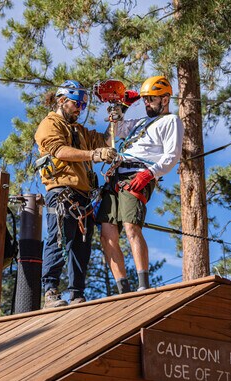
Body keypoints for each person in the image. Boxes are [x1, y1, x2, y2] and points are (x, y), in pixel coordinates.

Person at [97, 76, 183, 293]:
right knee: (107, 233)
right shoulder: (139, 124)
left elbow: (172, 155)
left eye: (150, 100)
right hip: (116, 174)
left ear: (164, 99)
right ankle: (122, 289)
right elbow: (112, 138)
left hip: (138, 173)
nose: (146, 104)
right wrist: (119, 112)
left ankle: (143, 285)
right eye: (144, 100)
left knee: (131, 226)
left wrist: (149, 174)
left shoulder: (171, 121)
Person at [35, 79, 117, 308]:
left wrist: (115, 120)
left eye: (82, 106)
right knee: (59, 238)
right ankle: (50, 291)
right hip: (62, 190)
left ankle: (77, 294)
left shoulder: (78, 130)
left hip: (83, 195)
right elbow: (60, 151)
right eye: (76, 105)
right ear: (62, 101)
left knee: (81, 245)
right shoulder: (49, 124)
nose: (80, 110)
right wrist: (94, 155)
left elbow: (106, 141)